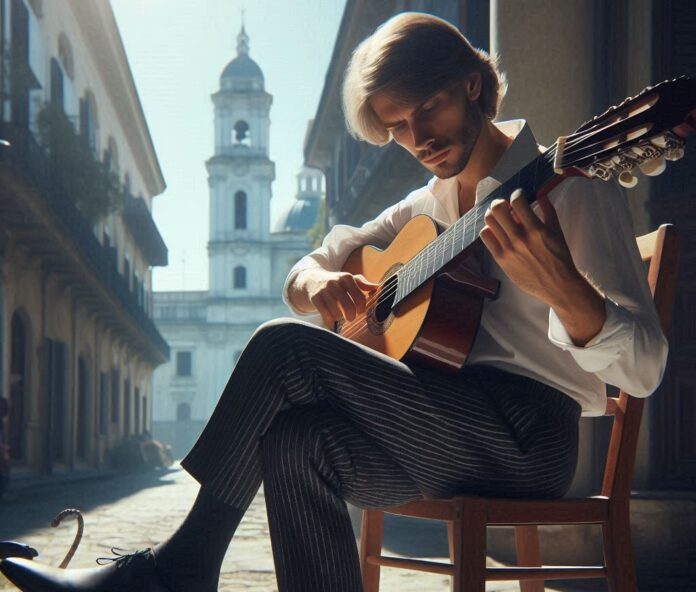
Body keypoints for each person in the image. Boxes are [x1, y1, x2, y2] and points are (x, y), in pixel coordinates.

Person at [0, 12, 668, 592]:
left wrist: (571, 297)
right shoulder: (423, 208)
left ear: (471, 83)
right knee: (296, 442)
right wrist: (317, 284)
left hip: (529, 438)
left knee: (283, 346)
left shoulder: (574, 191)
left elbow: (644, 369)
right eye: (398, 128)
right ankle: (183, 574)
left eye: (425, 109)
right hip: (436, 419)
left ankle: (179, 570)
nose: (418, 139)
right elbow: (313, 265)